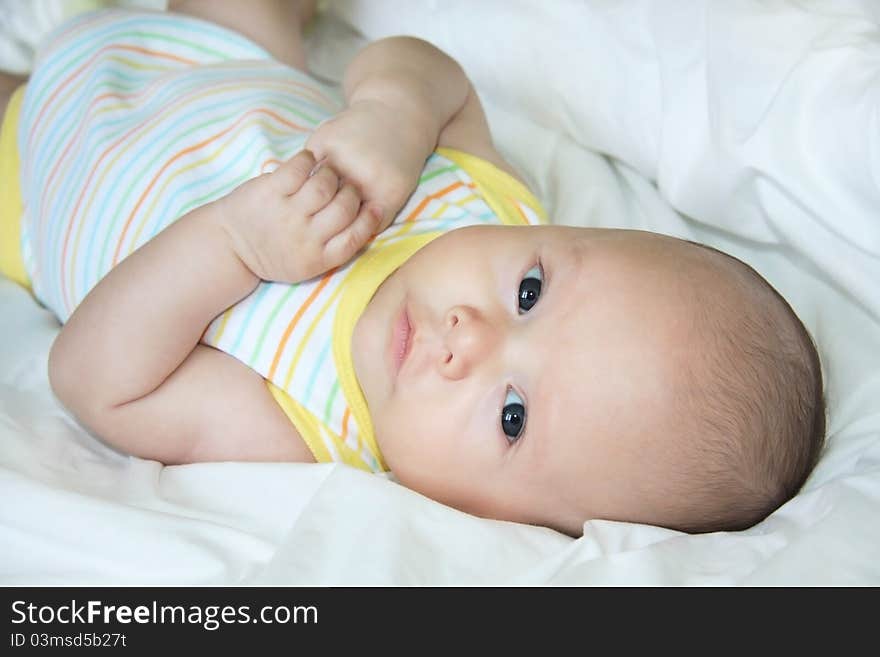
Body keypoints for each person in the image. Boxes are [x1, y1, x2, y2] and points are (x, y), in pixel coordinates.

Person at [0, 0, 825, 536]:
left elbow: (94, 378)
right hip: (213, 51)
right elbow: (434, 73)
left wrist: (234, 247)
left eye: (511, 415)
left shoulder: (304, 420)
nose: (471, 337)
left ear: (496, 517)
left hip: (43, 168)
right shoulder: (483, 205)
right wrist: (394, 111)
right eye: (530, 292)